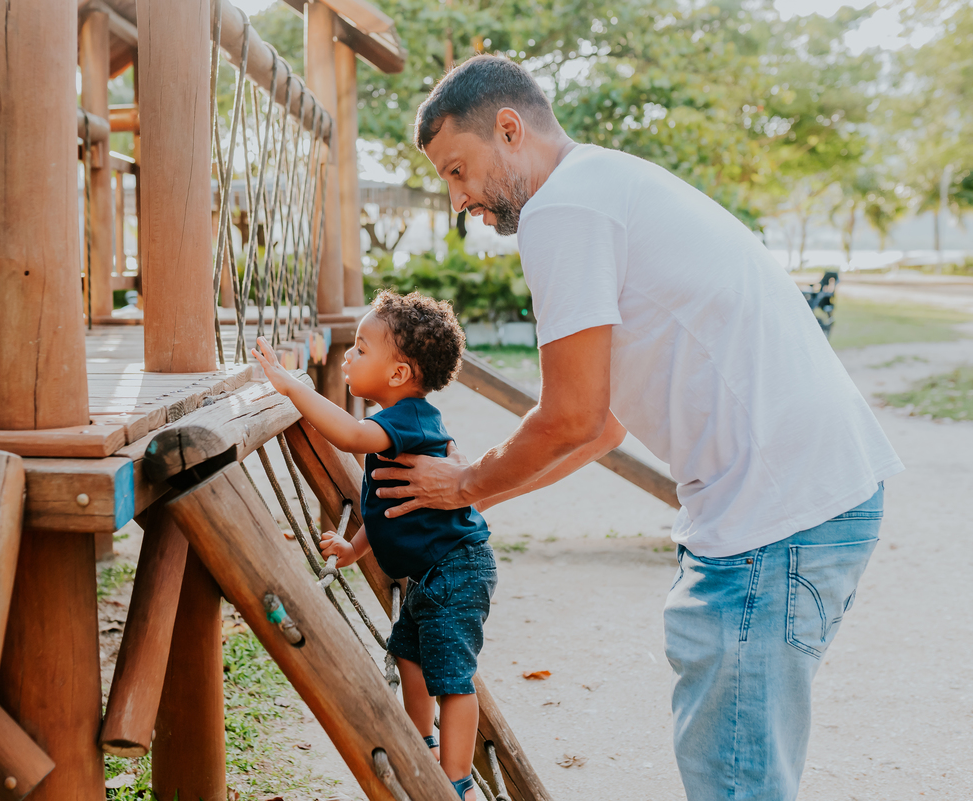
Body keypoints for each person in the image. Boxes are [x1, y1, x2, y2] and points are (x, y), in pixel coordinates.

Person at [373, 55, 904, 801]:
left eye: (458, 171)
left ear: (509, 129)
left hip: (777, 516)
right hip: (810, 500)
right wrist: (470, 497)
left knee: (736, 783)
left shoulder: (564, 208)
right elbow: (601, 429)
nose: (458, 200)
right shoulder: (604, 184)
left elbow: (572, 418)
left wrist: (462, 483)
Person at [251, 290, 496, 801]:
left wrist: (291, 386)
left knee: (452, 678)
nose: (348, 355)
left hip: (455, 569)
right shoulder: (401, 421)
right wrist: (353, 549)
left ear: (398, 374)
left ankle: (456, 780)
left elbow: (347, 435)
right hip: (435, 573)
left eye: (361, 349)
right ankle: (423, 742)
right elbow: (388, 509)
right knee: (407, 655)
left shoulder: (407, 419)